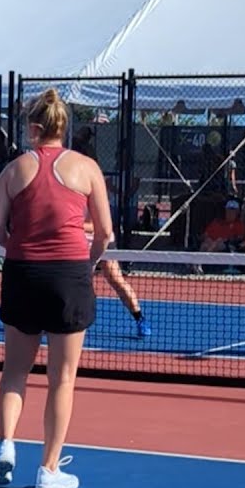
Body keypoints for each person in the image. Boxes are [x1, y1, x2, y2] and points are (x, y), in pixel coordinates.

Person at [0, 88, 112, 488]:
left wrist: (17, 249)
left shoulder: (14, 169)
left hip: (22, 274)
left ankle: (6, 446)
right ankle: (49, 470)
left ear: (34, 128)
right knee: (62, 379)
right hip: (68, 277)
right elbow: (105, 232)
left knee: (14, 372)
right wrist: (87, 261)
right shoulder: (87, 167)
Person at [72, 130, 150, 338]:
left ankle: (140, 318)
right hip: (79, 242)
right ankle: (72, 320)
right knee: (75, 281)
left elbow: (95, 224)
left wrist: (71, 224)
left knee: (115, 279)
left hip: (101, 239)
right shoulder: (68, 185)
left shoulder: (94, 184)